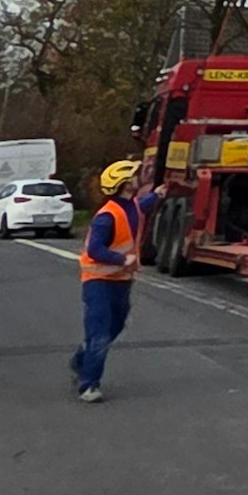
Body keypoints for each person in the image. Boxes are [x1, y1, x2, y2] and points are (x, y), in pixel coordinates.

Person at [70, 160, 161, 404]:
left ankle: (81, 360)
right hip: (98, 281)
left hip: (121, 281)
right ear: (123, 184)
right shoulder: (106, 217)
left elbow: (140, 208)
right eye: (132, 176)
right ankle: (89, 385)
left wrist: (158, 195)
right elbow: (95, 249)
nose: (136, 178)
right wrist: (122, 258)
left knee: (115, 326)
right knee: (99, 331)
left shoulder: (130, 206)